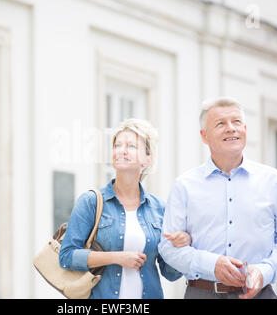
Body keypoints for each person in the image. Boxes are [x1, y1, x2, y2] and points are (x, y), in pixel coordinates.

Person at [159, 97, 277, 299]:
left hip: (259, 294)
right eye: (220, 124)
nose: (231, 128)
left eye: (236, 122)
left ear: (244, 129)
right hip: (202, 293)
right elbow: (168, 248)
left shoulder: (274, 181)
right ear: (204, 135)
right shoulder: (184, 185)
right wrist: (212, 265)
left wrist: (264, 271)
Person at [59, 118, 189, 299]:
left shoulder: (159, 209)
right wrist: (116, 258)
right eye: (117, 145)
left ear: (147, 158)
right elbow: (66, 256)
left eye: (131, 146)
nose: (122, 150)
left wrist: (180, 247)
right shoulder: (91, 202)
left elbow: (170, 273)